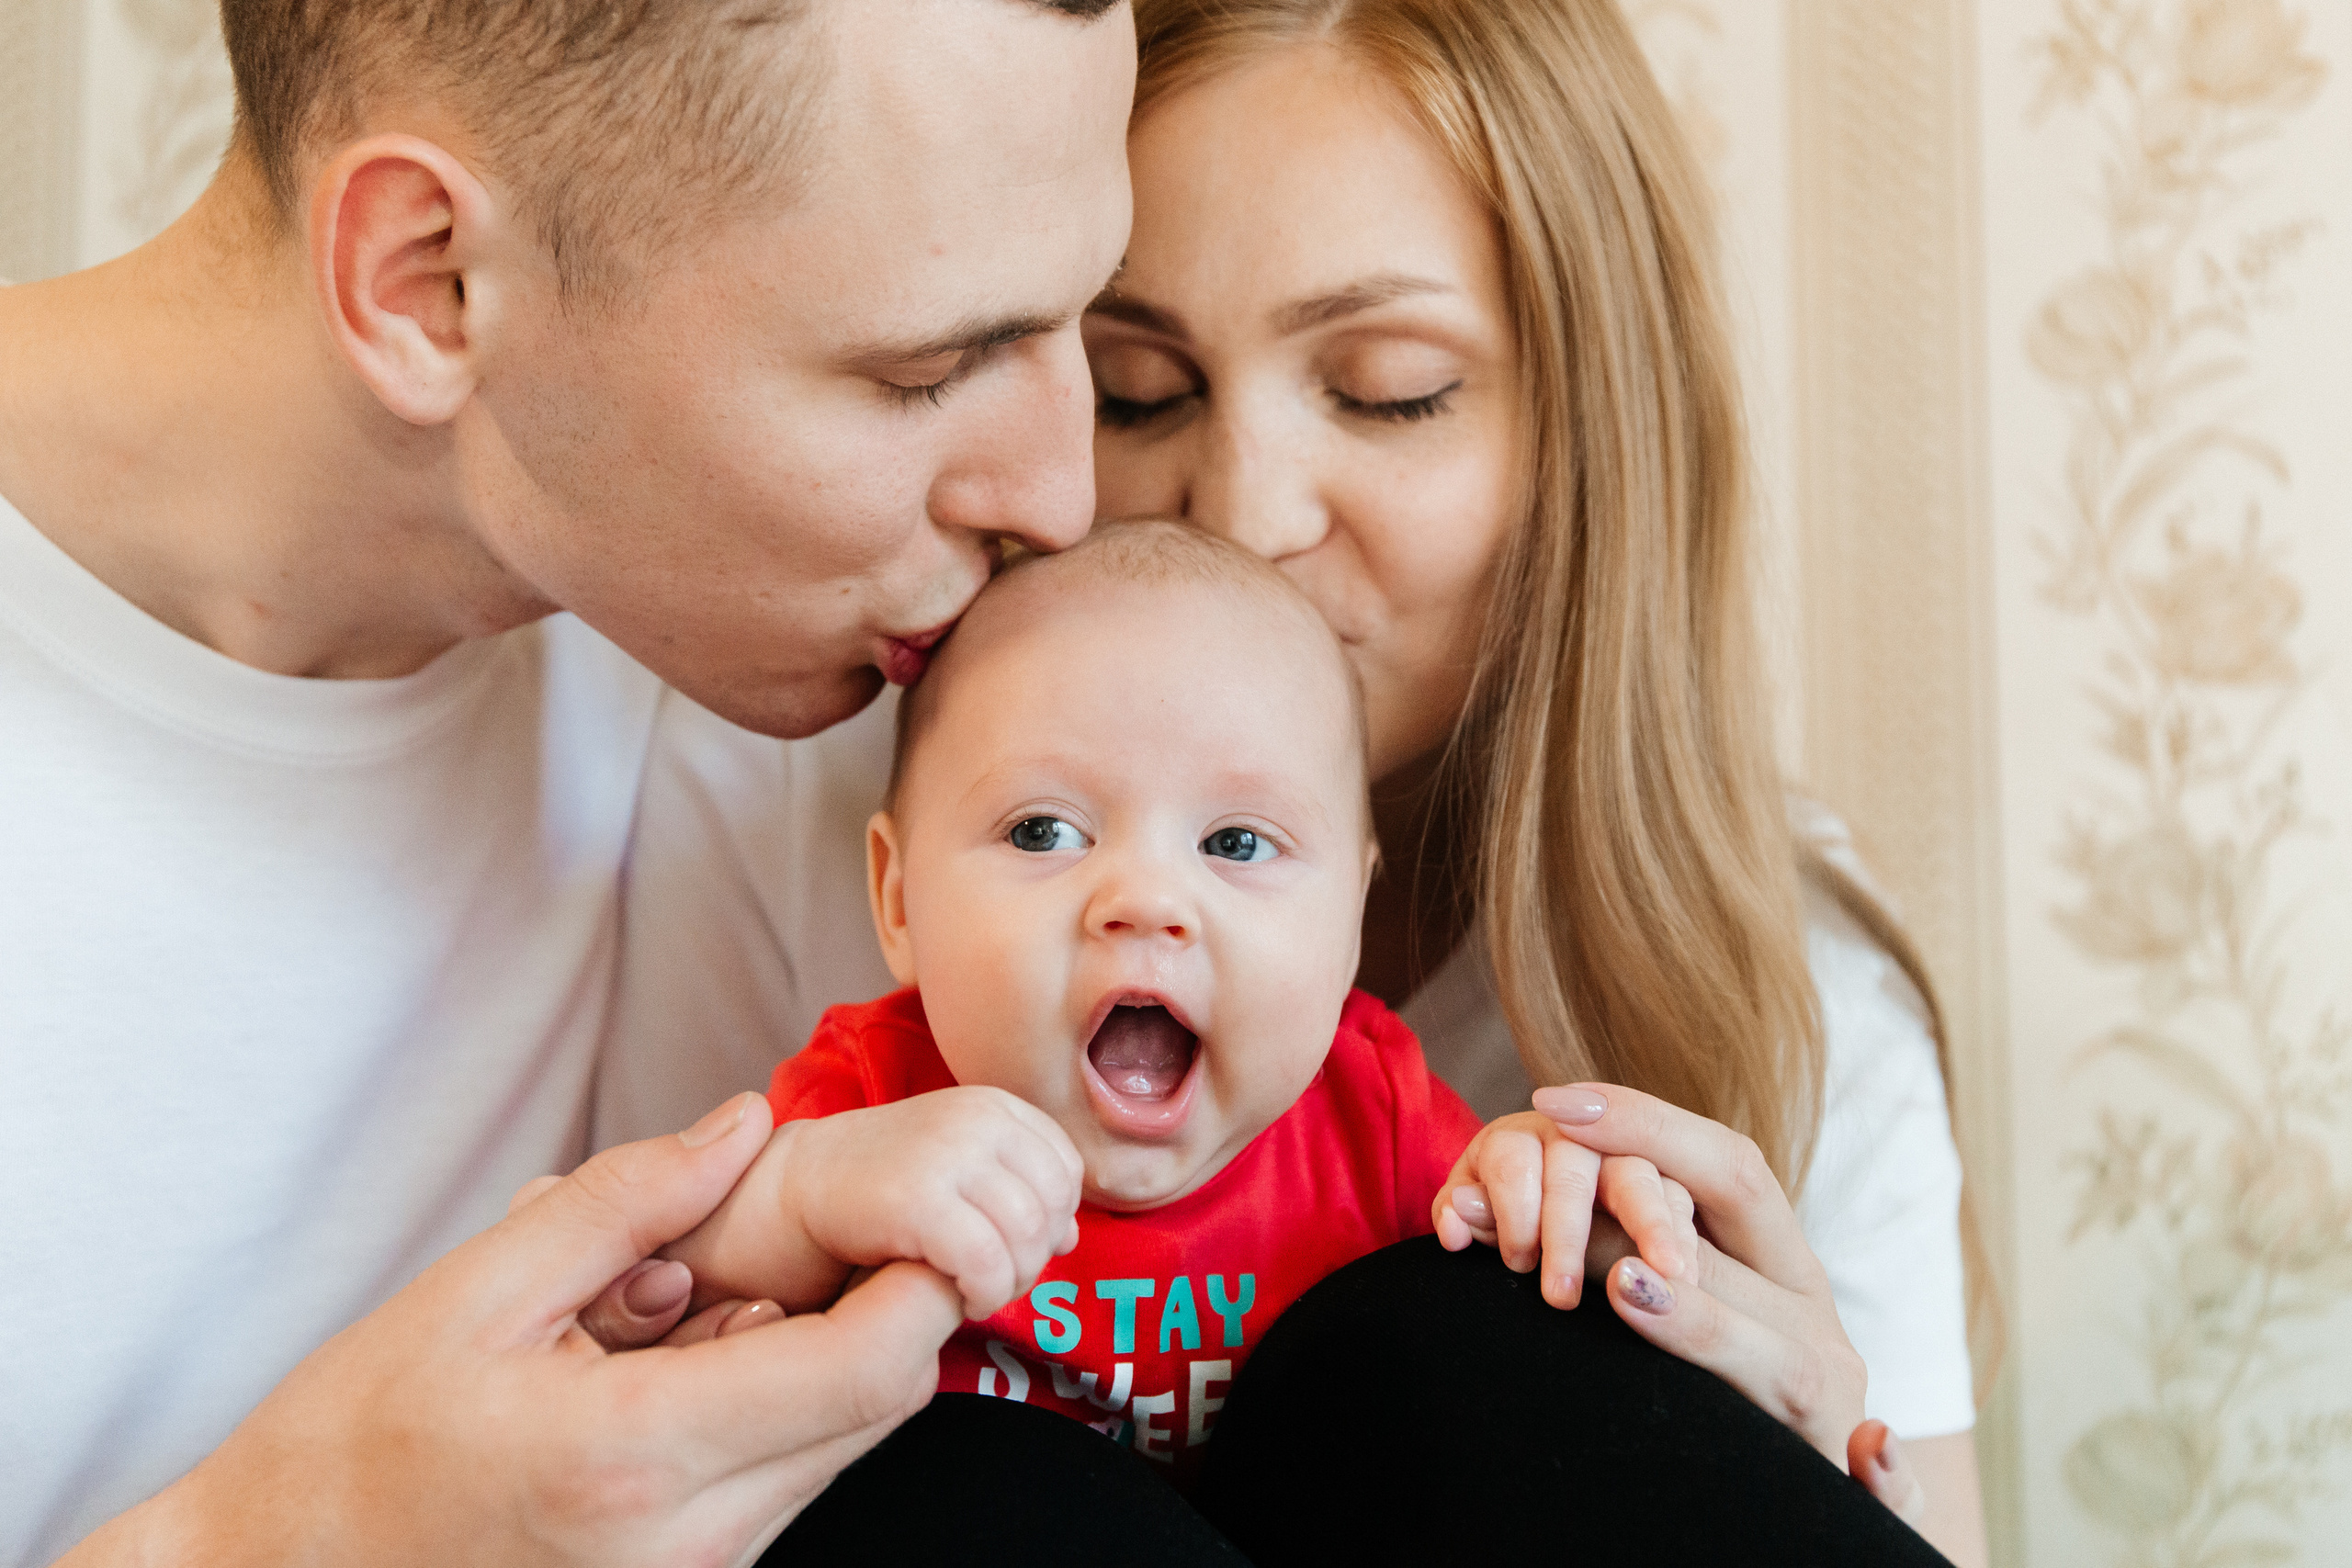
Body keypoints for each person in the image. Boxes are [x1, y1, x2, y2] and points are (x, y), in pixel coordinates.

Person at [0, 2, 1136, 1563]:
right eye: (926, 371)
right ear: (429, 284)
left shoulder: (769, 650)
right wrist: (293, 1533)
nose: (1060, 496)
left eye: (1095, 331)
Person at [1082, 0, 1992, 1561]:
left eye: (1385, 389)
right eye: (1140, 393)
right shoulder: (835, 846)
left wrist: (1803, 1482)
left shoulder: (1788, 987)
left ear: (1590, 440)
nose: (1238, 513)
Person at [663, 523, 1682, 1483]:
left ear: (1351, 917)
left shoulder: (1371, 1111)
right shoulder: (873, 1098)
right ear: (898, 899)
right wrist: (797, 1201)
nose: (1144, 901)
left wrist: (1535, 1194)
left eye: (1235, 844)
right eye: (1042, 833)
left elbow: (1498, 1337)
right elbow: (672, 1293)